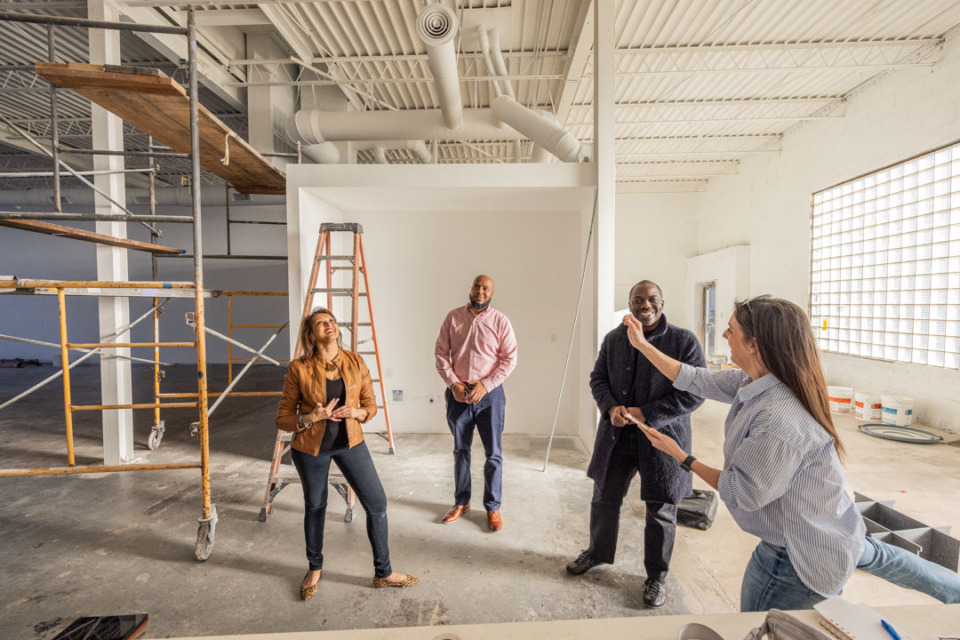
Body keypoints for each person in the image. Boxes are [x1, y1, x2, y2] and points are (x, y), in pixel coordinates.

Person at [623, 295, 960, 612]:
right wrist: (642, 345)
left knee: (760, 625)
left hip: (799, 555)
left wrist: (682, 456)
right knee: (889, 560)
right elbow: (696, 379)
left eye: (732, 329)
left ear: (754, 344)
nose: (725, 334)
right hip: (835, 526)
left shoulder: (778, 417)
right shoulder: (757, 381)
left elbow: (744, 493)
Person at [566, 280, 706, 608]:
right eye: (638, 299)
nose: (645, 305)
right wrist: (611, 407)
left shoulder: (683, 341)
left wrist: (648, 413)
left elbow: (695, 391)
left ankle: (657, 577)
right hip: (617, 437)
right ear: (629, 303)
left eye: (652, 299)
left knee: (660, 509)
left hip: (662, 440)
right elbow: (597, 379)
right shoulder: (616, 338)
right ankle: (598, 553)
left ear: (662, 301)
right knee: (604, 497)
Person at [276, 307, 418, 601]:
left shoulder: (355, 361)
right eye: (320, 323)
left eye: (331, 321)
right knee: (316, 506)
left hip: (351, 443)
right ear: (311, 335)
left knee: (377, 503)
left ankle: (384, 573)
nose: (328, 325)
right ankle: (315, 568)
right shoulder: (298, 369)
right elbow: (282, 418)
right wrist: (310, 418)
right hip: (310, 449)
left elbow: (371, 404)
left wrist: (358, 412)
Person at [434, 274, 518, 532]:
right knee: (461, 451)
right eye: (476, 286)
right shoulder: (453, 318)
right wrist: (454, 384)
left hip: (489, 397)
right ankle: (462, 502)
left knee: (493, 454)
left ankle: (493, 507)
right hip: (459, 394)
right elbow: (440, 354)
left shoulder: (500, 321)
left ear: (491, 293)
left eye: (485, 288)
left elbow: (509, 359)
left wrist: (485, 385)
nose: (480, 291)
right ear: (471, 289)